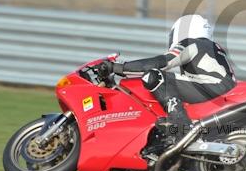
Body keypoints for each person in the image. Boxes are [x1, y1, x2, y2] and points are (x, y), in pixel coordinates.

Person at [101, 14, 236, 142]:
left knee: (154, 76)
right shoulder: (212, 47)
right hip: (225, 91)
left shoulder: (191, 43)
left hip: (213, 88)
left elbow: (163, 62)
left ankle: (180, 123)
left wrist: (118, 67)